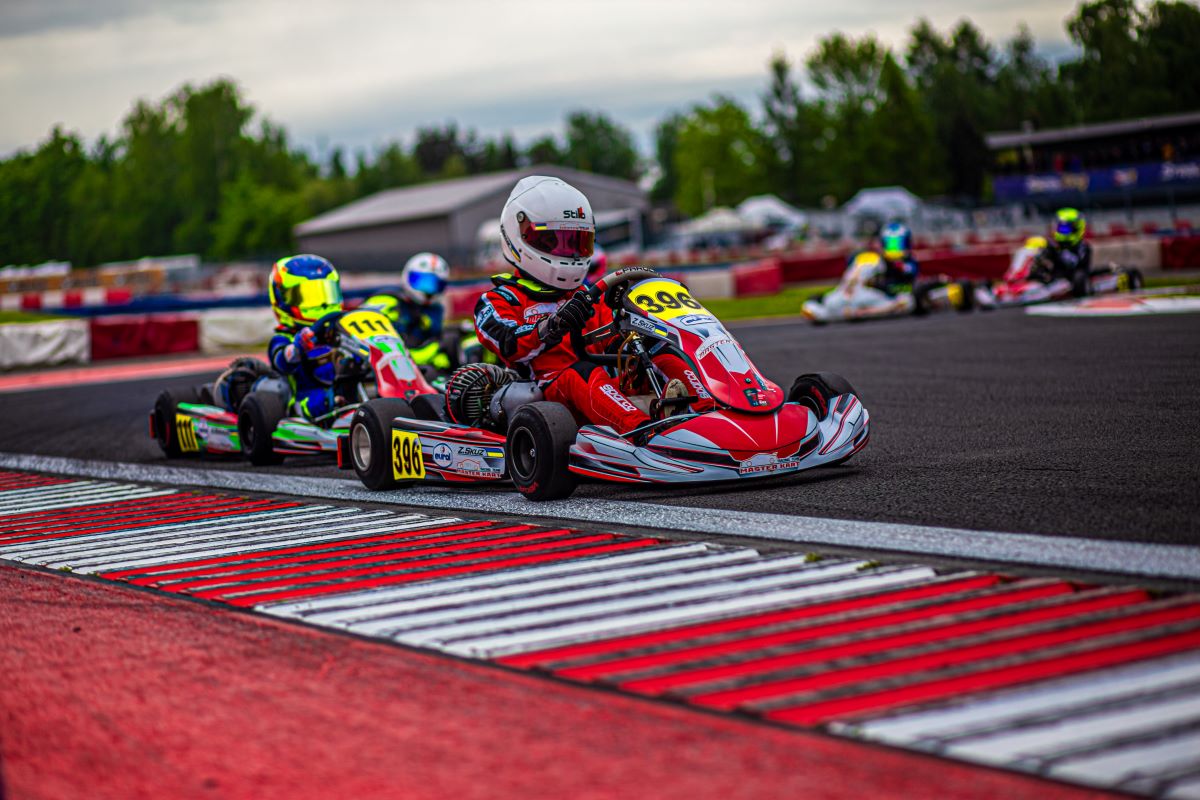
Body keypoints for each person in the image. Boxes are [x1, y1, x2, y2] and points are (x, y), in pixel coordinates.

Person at [472, 176, 710, 436]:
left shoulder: (587, 297)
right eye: (555, 242)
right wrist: (552, 326)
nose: (570, 253)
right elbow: (508, 342)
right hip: (545, 394)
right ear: (519, 236)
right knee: (580, 373)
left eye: (577, 243)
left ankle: (709, 413)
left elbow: (614, 344)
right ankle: (643, 433)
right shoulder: (500, 299)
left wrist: (637, 338)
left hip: (601, 389)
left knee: (660, 354)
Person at [266, 253, 346, 420]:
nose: (322, 304)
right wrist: (297, 348)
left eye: (326, 293)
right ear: (282, 300)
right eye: (308, 297)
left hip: (344, 385)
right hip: (306, 399)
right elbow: (281, 361)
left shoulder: (341, 329)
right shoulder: (284, 337)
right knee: (323, 401)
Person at [361, 252, 451, 370]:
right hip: (378, 359)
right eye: (422, 282)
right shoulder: (388, 300)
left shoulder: (435, 310)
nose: (427, 289)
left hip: (413, 365)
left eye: (432, 285)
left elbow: (434, 341)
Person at [1044, 208, 1093, 296]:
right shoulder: (1053, 245)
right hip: (1054, 277)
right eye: (1060, 227)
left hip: (1072, 279)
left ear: (1076, 228)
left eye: (1065, 228)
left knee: (1079, 276)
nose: (1062, 230)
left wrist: (1060, 252)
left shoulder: (1082, 246)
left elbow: (1076, 263)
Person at [873, 221, 919, 294]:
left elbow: (911, 271)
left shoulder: (908, 260)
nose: (894, 249)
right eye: (891, 245)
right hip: (883, 293)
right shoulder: (880, 260)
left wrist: (900, 266)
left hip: (905, 290)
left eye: (898, 244)